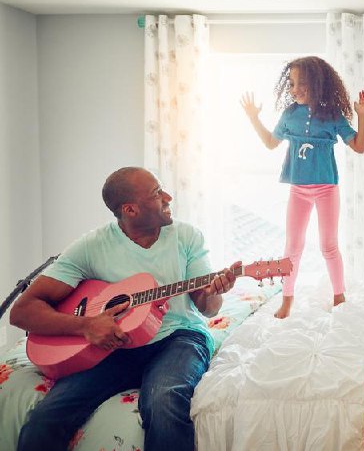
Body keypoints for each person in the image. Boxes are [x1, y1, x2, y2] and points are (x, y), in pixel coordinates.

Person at [9, 166, 238, 451]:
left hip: (179, 337)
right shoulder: (92, 247)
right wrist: (86, 326)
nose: (168, 197)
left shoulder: (187, 237)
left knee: (164, 401)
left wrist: (214, 291)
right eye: (157, 193)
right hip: (115, 348)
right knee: (45, 418)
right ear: (130, 210)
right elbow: (22, 311)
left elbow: (208, 308)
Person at [240, 56, 364, 319]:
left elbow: (359, 146)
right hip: (298, 190)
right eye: (291, 84)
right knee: (292, 248)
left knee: (328, 246)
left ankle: (339, 296)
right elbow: (270, 142)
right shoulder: (290, 115)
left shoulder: (332, 115)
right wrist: (254, 118)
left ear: (318, 84)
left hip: (326, 189)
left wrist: (361, 115)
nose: (295, 89)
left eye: (302, 83)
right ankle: (287, 300)